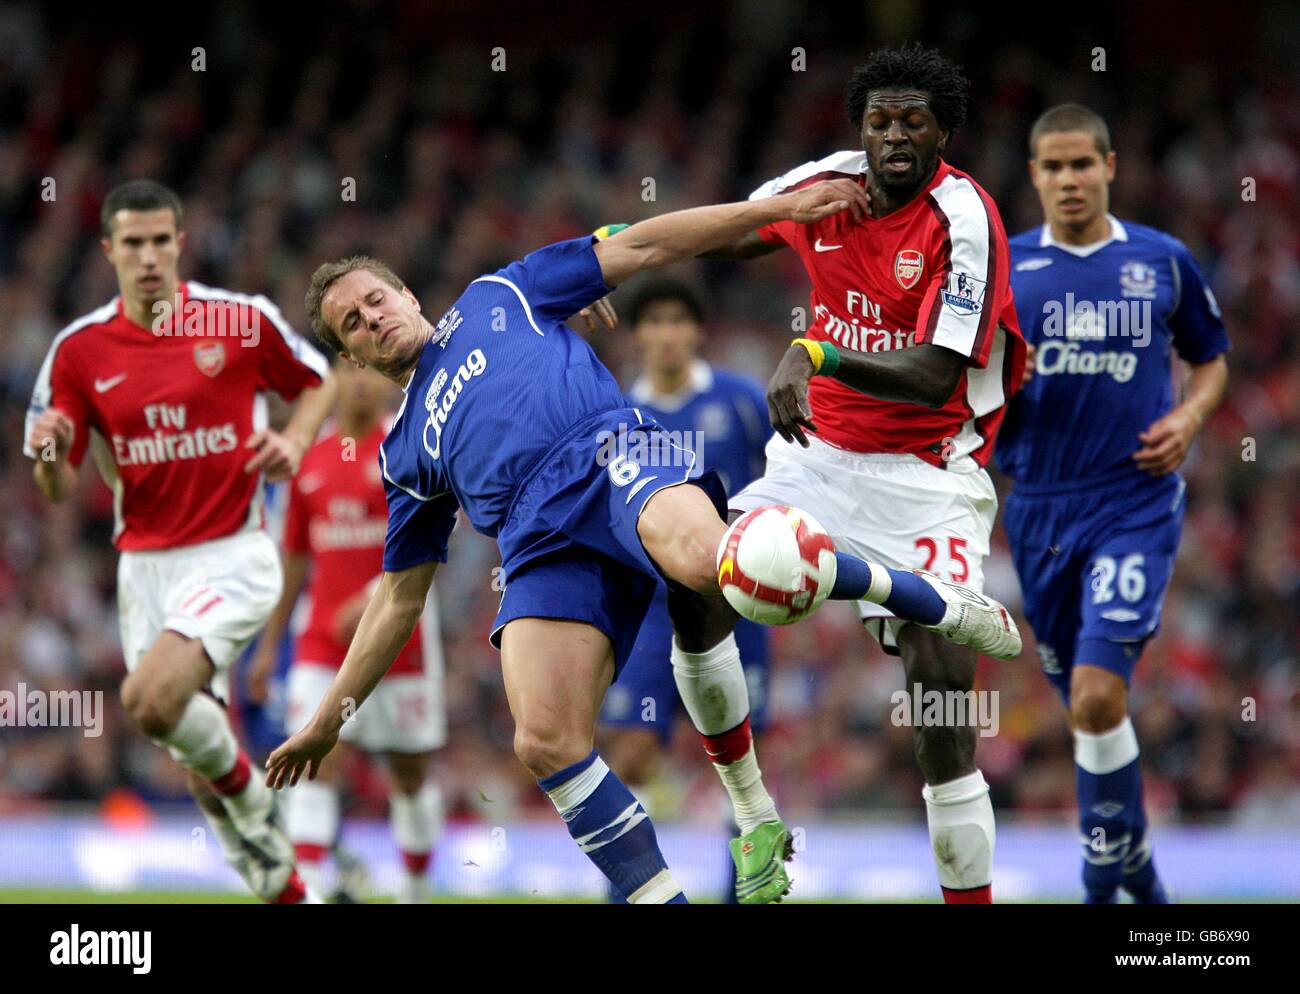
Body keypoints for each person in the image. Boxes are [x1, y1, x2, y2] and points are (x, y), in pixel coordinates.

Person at [264, 181, 1021, 905]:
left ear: (406, 295)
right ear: (353, 358)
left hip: (610, 457)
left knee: (730, 568)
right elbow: (399, 597)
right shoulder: (404, 457)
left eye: (374, 300)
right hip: (536, 545)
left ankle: (930, 599)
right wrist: (328, 719)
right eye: (353, 326)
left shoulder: (501, 295)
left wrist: (780, 209)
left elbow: (650, 243)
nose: (371, 320)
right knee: (543, 739)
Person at [697, 43, 1027, 904]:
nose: (893, 136)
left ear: (943, 131)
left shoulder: (964, 217)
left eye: (912, 120)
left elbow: (935, 374)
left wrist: (815, 350)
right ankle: (754, 813)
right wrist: (619, 254)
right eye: (879, 120)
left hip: (927, 471)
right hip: (815, 460)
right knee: (695, 573)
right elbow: (731, 233)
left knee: (945, 706)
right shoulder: (828, 181)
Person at [23, 179, 335, 903]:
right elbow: (58, 488)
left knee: (150, 701)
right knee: (195, 766)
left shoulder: (240, 320)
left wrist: (293, 439)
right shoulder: (77, 353)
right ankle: (287, 890)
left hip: (233, 551)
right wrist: (48, 454)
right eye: (133, 243)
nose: (149, 256)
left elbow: (314, 380)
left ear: (180, 243)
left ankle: (257, 808)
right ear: (108, 251)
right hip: (144, 570)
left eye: (162, 240)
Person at [996, 104, 1230, 903]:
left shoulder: (1162, 262)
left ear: (1110, 167)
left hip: (1133, 499)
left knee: (1099, 695)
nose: (1068, 180)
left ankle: (1100, 881)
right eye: (1053, 167)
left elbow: (1210, 358)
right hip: (1037, 511)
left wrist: (1191, 418)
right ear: (1034, 176)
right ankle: (1149, 891)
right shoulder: (1004, 271)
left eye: (1082, 165)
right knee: (1089, 714)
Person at [596, 277, 773, 903]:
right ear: (638, 332)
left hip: (734, 608)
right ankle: (629, 892)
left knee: (735, 766)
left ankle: (737, 893)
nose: (668, 334)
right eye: (655, 321)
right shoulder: (616, 415)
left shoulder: (743, 401)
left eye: (679, 320)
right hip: (648, 614)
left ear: (697, 330)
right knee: (633, 753)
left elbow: (783, 480)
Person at [247, 356, 447, 903]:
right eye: (348, 368)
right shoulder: (309, 459)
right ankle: (310, 889)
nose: (361, 380)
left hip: (399, 644)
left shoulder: (410, 450)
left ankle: (416, 886)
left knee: (409, 776)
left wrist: (368, 600)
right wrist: (269, 646)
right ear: (332, 378)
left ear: (388, 380)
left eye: (371, 369)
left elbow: (434, 537)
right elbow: (293, 558)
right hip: (320, 646)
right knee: (316, 759)